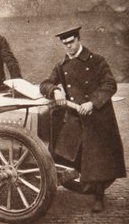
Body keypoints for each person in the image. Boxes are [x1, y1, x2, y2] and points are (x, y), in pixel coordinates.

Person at [40, 26, 126, 213]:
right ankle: (86, 185)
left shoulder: (96, 60)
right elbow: (44, 83)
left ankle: (98, 197)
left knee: (98, 160)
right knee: (67, 153)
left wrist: (92, 103)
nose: (68, 47)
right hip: (75, 117)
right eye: (65, 44)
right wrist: (54, 90)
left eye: (71, 42)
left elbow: (110, 84)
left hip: (98, 117)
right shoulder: (61, 66)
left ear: (79, 39)